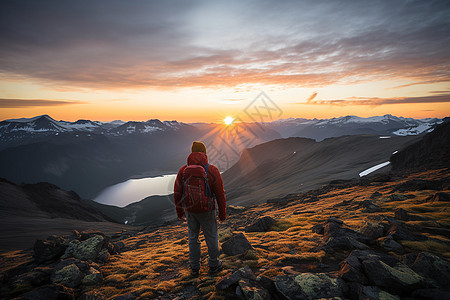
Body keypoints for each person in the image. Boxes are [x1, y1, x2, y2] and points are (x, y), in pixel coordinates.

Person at [174, 141, 226, 276]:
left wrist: (180, 212)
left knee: (193, 238)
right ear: (205, 153)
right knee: (211, 236)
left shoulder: (183, 170)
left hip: (190, 211)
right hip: (207, 210)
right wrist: (222, 214)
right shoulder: (212, 170)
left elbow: (177, 193)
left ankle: (195, 267)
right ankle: (214, 264)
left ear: (192, 152)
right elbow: (220, 194)